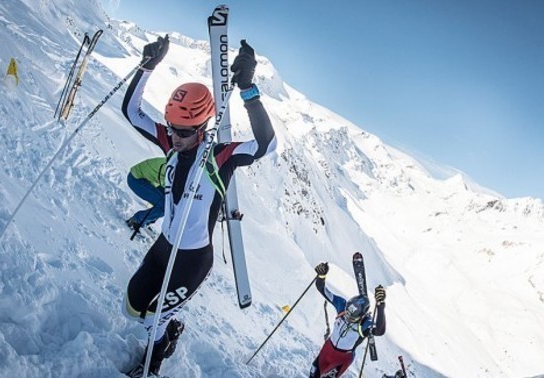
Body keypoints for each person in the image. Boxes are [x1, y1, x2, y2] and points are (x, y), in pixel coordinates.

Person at [120, 34, 277, 377]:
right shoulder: (171, 143)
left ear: (203, 125)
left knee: (154, 316)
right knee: (132, 307)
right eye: (173, 128)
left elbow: (267, 145)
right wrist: (148, 66)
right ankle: (168, 328)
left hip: (193, 259)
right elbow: (131, 112)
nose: (176, 136)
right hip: (164, 246)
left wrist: (249, 88)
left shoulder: (221, 156)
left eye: (185, 131)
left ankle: (156, 356)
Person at [310, 262, 386, 378]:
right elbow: (323, 290)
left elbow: (380, 331)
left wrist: (380, 306)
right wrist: (321, 276)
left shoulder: (364, 324)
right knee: (313, 374)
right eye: (347, 314)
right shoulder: (342, 305)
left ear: (361, 316)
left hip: (342, 358)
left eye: (352, 317)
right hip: (328, 349)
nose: (347, 317)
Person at [126, 157, 167, 230]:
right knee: (164, 206)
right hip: (136, 180)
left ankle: (147, 220)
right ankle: (136, 221)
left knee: (168, 202)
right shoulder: (172, 167)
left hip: (147, 179)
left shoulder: (176, 162)